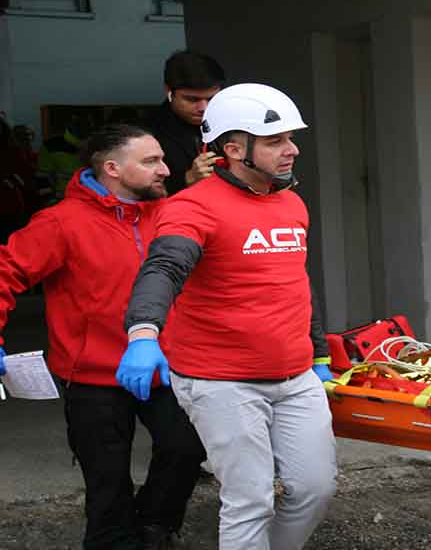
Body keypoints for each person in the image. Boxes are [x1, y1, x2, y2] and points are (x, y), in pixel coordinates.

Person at [120, 83, 337, 550]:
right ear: (235, 149)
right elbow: (163, 268)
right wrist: (143, 333)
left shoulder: (291, 203)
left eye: (291, 138)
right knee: (250, 499)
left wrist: (318, 354)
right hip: (222, 381)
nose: (292, 149)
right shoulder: (192, 207)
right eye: (276, 140)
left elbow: (294, 280)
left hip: (294, 376)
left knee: (316, 489)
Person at [0, 124, 206, 549]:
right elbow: (6, 271)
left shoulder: (172, 214)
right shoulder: (60, 222)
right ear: (112, 168)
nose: (166, 169)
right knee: (107, 482)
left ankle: (153, 527)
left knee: (187, 449)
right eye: (151, 161)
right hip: (92, 377)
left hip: (166, 367)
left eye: (162, 159)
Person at [144, 50, 225, 196]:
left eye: (211, 98)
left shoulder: (235, 121)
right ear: (168, 91)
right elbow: (135, 192)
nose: (203, 108)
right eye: (192, 99)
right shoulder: (145, 134)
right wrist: (186, 179)